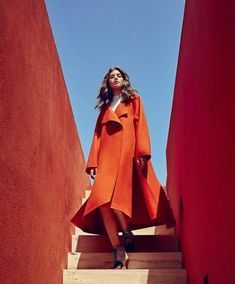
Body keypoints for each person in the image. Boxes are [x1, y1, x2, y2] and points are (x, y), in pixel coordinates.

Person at [71, 66, 175, 269]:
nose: (115, 78)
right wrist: (92, 163)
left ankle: (125, 235)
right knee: (101, 202)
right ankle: (119, 247)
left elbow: (140, 124)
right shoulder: (104, 108)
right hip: (106, 158)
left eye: (119, 75)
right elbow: (97, 136)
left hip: (126, 155)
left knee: (117, 200)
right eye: (112, 76)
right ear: (108, 82)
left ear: (124, 80)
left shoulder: (134, 99)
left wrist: (142, 152)